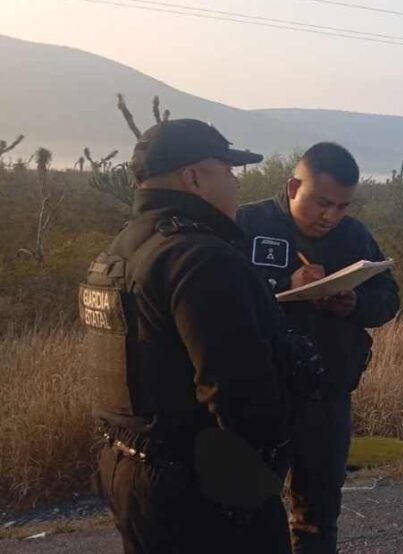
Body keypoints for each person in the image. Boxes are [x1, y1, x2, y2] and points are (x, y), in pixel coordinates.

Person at [81, 119, 297, 553]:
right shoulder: (200, 258)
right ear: (193, 178)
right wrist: (265, 469)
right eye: (229, 171)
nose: (237, 184)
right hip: (202, 487)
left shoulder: (119, 252)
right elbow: (237, 392)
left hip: (129, 470)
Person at [237, 142, 400, 553]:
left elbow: (388, 300)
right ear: (293, 186)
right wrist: (281, 286)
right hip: (257, 396)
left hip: (327, 395)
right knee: (249, 511)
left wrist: (354, 304)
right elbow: (213, 303)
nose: (331, 216)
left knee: (318, 516)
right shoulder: (246, 225)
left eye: (342, 206)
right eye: (322, 202)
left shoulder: (356, 235)